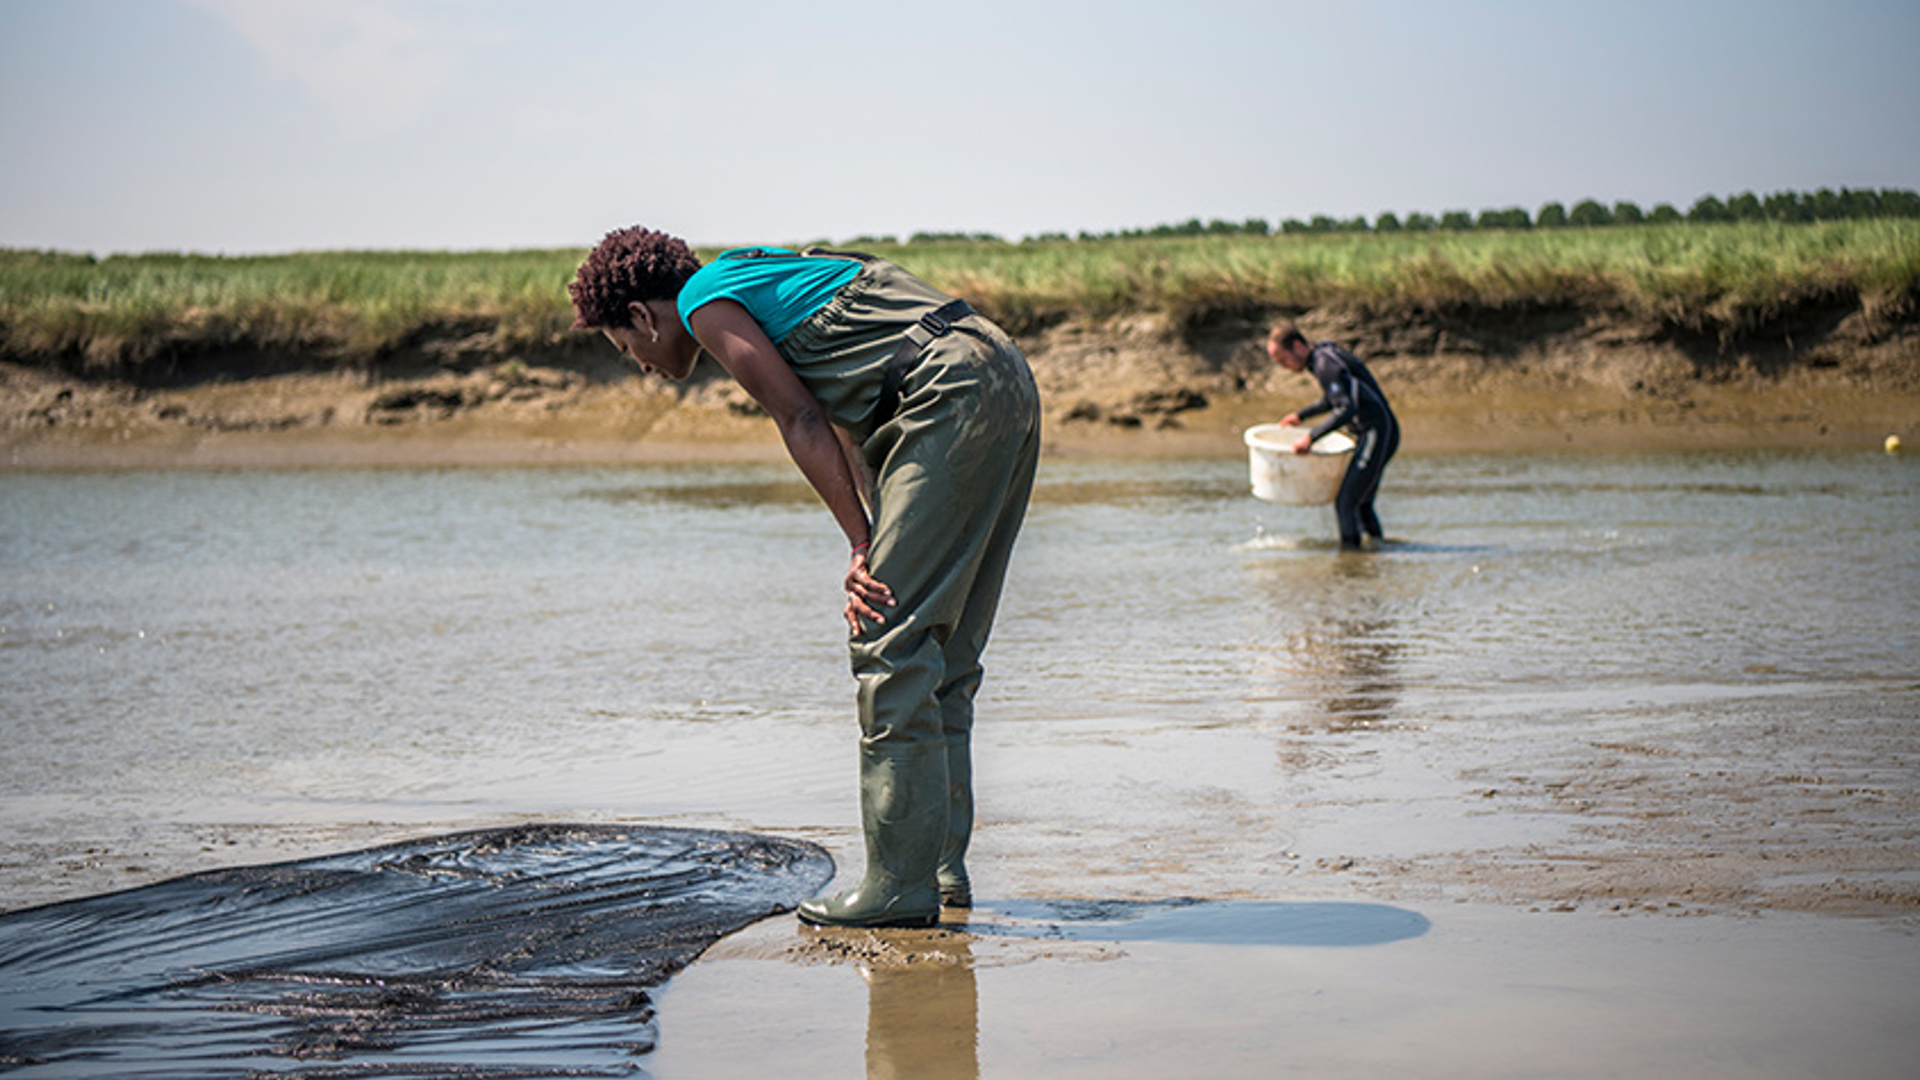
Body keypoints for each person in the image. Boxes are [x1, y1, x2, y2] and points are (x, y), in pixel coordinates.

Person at [568, 229, 1041, 928]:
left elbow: (800, 416)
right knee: (943, 654)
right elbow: (859, 418)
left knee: (889, 641)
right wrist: (872, 536)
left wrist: (859, 545)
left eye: (624, 348)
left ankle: (896, 885)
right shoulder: (774, 276)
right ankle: (940, 871)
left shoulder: (704, 298)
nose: (639, 365)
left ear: (642, 315)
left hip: (943, 389)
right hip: (999, 372)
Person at [1266, 325, 1399, 549]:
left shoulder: (1325, 363)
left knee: (1346, 502)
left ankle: (1350, 560)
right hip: (1381, 429)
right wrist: (1300, 415)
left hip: (1376, 431)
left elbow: (1345, 408)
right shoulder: (1323, 358)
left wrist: (1311, 437)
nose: (1284, 367)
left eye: (1283, 359)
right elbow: (1333, 399)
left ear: (1297, 346)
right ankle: (1378, 551)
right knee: (1362, 502)